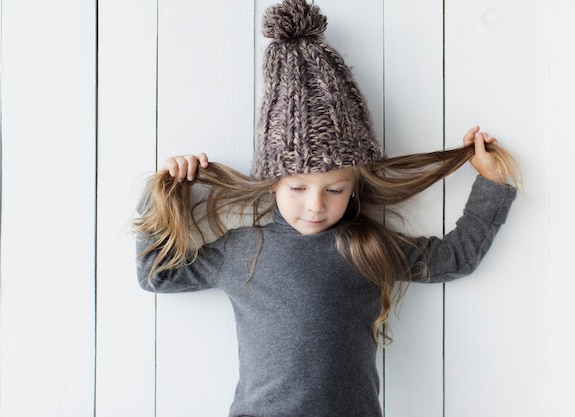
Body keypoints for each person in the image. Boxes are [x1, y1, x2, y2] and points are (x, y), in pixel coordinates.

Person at [134, 0, 518, 416]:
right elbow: (158, 274)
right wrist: (169, 191)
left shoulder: (369, 247)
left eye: (334, 189)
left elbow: (453, 258)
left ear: (354, 187)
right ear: (273, 182)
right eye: (297, 186)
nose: (315, 206)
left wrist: (491, 183)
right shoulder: (241, 250)